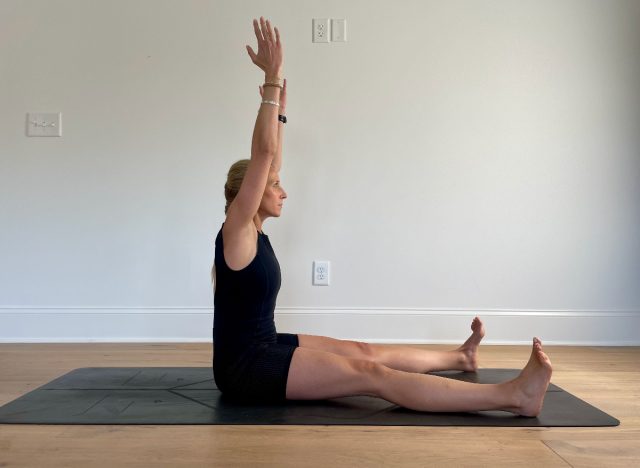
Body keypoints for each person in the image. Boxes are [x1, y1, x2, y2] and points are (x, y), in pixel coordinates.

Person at [211, 17, 552, 416]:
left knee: (363, 351)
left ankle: (460, 359)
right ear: (247, 194)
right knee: (371, 374)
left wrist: (280, 114)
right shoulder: (237, 228)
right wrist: (272, 79)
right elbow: (264, 156)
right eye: (274, 185)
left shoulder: (251, 229)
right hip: (246, 369)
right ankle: (513, 396)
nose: (283, 190)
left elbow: (272, 159)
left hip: (263, 343)